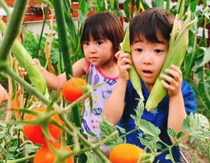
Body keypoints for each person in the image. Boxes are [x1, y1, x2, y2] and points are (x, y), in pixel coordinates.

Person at [103, 8, 196, 162]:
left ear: (173, 53)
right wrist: (122, 80)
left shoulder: (182, 91)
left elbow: (180, 139)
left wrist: (175, 95)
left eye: (158, 50)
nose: (146, 59)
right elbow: (109, 119)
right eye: (139, 49)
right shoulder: (129, 85)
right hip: (127, 158)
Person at [33, 12, 124, 138]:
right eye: (86, 43)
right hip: (93, 131)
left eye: (98, 43)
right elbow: (59, 83)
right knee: (95, 157)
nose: (91, 49)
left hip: (121, 134)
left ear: (115, 43)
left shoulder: (124, 69)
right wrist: (38, 69)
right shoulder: (86, 65)